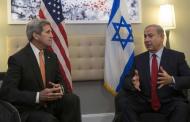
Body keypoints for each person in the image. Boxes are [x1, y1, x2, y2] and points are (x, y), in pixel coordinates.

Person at [0, 19, 81, 122]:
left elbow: (61, 81)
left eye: (51, 32)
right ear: (36, 35)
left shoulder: (51, 56)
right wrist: (38, 96)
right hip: (29, 109)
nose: (52, 35)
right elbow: (7, 92)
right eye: (48, 32)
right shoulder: (17, 59)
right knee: (47, 120)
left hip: (50, 104)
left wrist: (59, 88)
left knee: (72, 100)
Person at [114, 24, 190, 122]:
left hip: (169, 101)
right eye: (145, 36)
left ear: (162, 37)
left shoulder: (177, 57)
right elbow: (126, 80)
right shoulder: (138, 59)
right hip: (145, 101)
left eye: (150, 36)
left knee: (182, 108)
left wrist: (172, 80)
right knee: (125, 105)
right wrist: (132, 82)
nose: (146, 40)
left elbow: (188, 79)